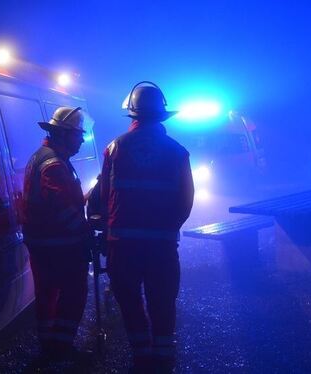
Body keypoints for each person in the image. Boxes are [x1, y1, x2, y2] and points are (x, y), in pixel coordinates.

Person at [99, 82, 194, 373]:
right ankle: (163, 358)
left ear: (133, 115)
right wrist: (168, 228)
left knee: (129, 299)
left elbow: (104, 195)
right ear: (162, 115)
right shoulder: (178, 152)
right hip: (162, 246)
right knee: (162, 300)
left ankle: (141, 356)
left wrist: (109, 228)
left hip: (123, 246)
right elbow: (186, 199)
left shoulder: (114, 148)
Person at [21, 106, 91, 360]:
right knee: (73, 293)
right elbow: (61, 212)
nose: (82, 140)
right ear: (63, 134)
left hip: (43, 243)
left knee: (47, 294)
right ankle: (60, 348)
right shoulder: (53, 165)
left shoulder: (44, 157)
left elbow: (59, 203)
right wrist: (86, 234)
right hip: (59, 246)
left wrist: (82, 199)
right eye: (78, 135)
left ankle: (48, 347)